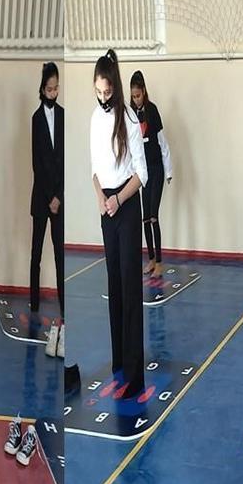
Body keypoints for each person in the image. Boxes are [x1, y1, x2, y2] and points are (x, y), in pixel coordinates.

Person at [91, 50, 148, 398]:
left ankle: (135, 371)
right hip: (106, 206)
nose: (103, 97)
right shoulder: (95, 119)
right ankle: (119, 362)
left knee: (130, 286)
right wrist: (101, 197)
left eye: (108, 91)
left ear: (116, 86)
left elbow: (142, 173)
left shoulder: (127, 118)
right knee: (113, 283)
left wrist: (117, 200)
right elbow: (94, 169)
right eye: (98, 92)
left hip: (126, 204)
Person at [32, 62, 66, 359]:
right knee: (36, 253)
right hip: (41, 197)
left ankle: (64, 306)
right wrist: (47, 197)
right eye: (49, 88)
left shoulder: (64, 115)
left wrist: (58, 196)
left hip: (59, 198)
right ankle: (33, 304)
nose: (53, 93)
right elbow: (37, 162)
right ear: (42, 89)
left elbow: (64, 159)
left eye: (56, 88)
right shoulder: (36, 118)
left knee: (59, 255)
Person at [129, 70, 173, 277]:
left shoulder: (152, 110)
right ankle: (152, 259)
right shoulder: (131, 114)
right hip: (143, 173)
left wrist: (168, 170)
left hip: (156, 170)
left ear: (144, 92)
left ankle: (160, 262)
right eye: (133, 96)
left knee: (154, 216)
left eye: (138, 95)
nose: (136, 99)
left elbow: (163, 143)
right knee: (145, 217)